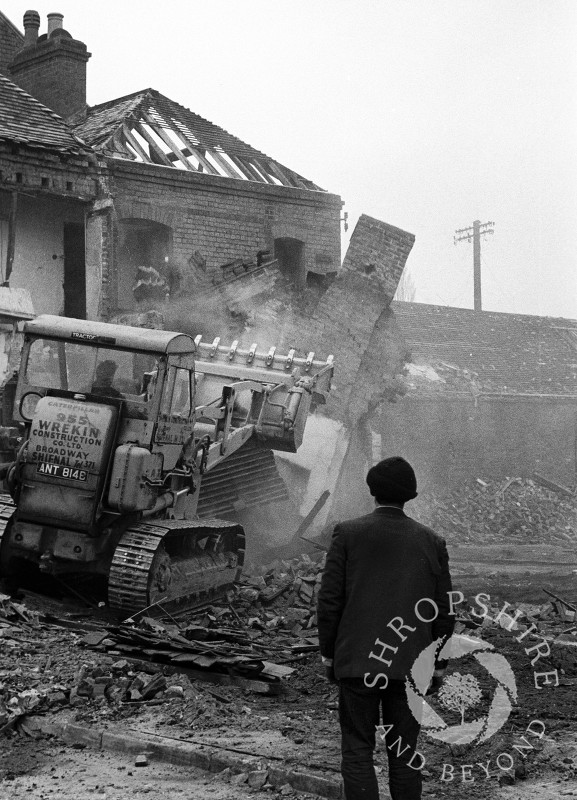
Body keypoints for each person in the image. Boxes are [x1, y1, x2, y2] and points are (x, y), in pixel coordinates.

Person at [317, 456, 454, 800]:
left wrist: (329, 655)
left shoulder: (347, 534)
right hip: (410, 665)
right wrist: (438, 663)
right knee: (405, 753)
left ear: (372, 491)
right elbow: (445, 611)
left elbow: (330, 601)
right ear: (410, 494)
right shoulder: (432, 541)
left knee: (357, 747)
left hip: (357, 662)